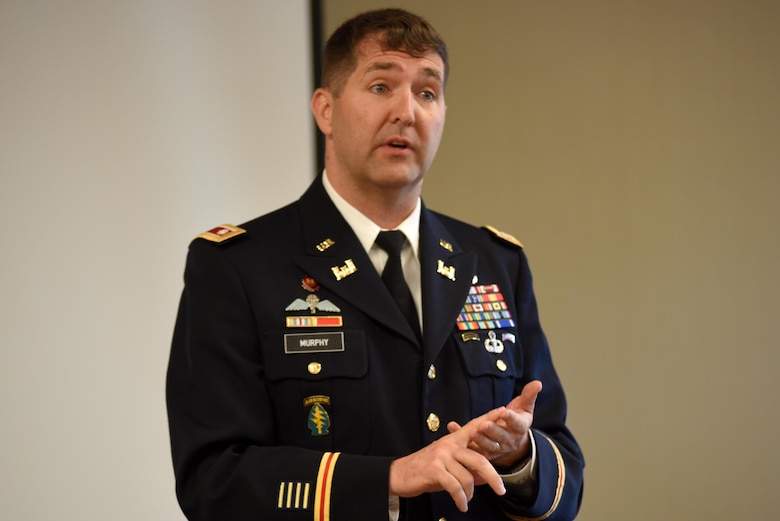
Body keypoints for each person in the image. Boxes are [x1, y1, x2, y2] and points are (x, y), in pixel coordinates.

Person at [166, 8, 584, 521]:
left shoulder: (496, 263)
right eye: (382, 86)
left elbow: (566, 476)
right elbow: (213, 480)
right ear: (325, 110)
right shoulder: (237, 266)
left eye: (427, 92)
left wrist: (519, 457)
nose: (407, 111)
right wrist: (387, 479)